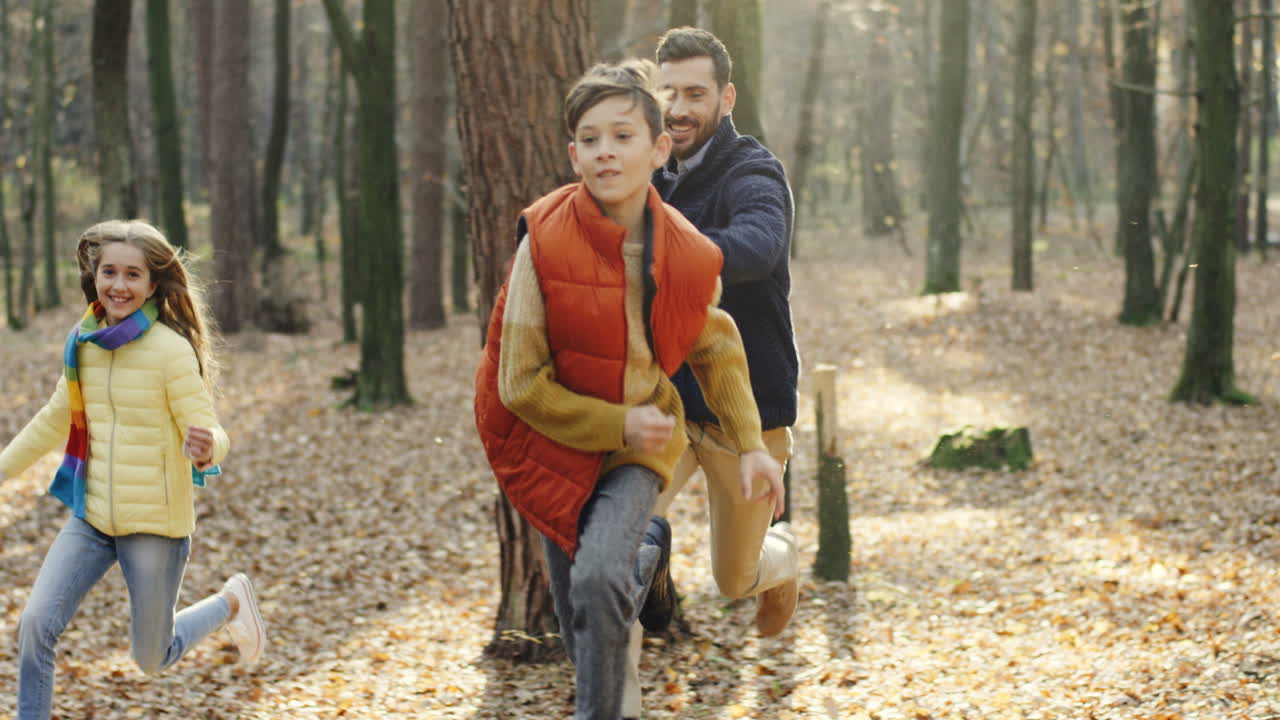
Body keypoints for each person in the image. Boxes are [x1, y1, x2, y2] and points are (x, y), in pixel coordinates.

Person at [474, 59, 784, 720]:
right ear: (573, 153)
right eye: (590, 139)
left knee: (594, 579)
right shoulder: (544, 242)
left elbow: (718, 346)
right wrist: (617, 423)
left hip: (634, 453)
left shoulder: (687, 252)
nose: (605, 151)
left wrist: (752, 445)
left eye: (622, 136)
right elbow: (520, 385)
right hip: (547, 443)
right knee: (583, 613)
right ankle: (646, 553)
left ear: (659, 147)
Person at [0, 220, 266, 720]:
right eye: (109, 272)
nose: (118, 285)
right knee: (35, 622)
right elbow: (51, 420)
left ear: (152, 284)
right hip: (93, 517)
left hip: (155, 527)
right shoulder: (84, 343)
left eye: (132, 274)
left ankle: (230, 603)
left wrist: (208, 448)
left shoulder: (170, 350)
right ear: (94, 276)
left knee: (151, 657)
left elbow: (211, 429)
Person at [620, 26, 802, 718]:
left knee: (734, 578)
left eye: (695, 93)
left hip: (747, 413)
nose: (679, 107)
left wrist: (665, 261)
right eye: (667, 93)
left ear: (725, 98)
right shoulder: (645, 172)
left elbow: (758, 244)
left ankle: (777, 561)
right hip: (663, 406)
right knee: (620, 541)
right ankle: (620, 694)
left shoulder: (752, 172)